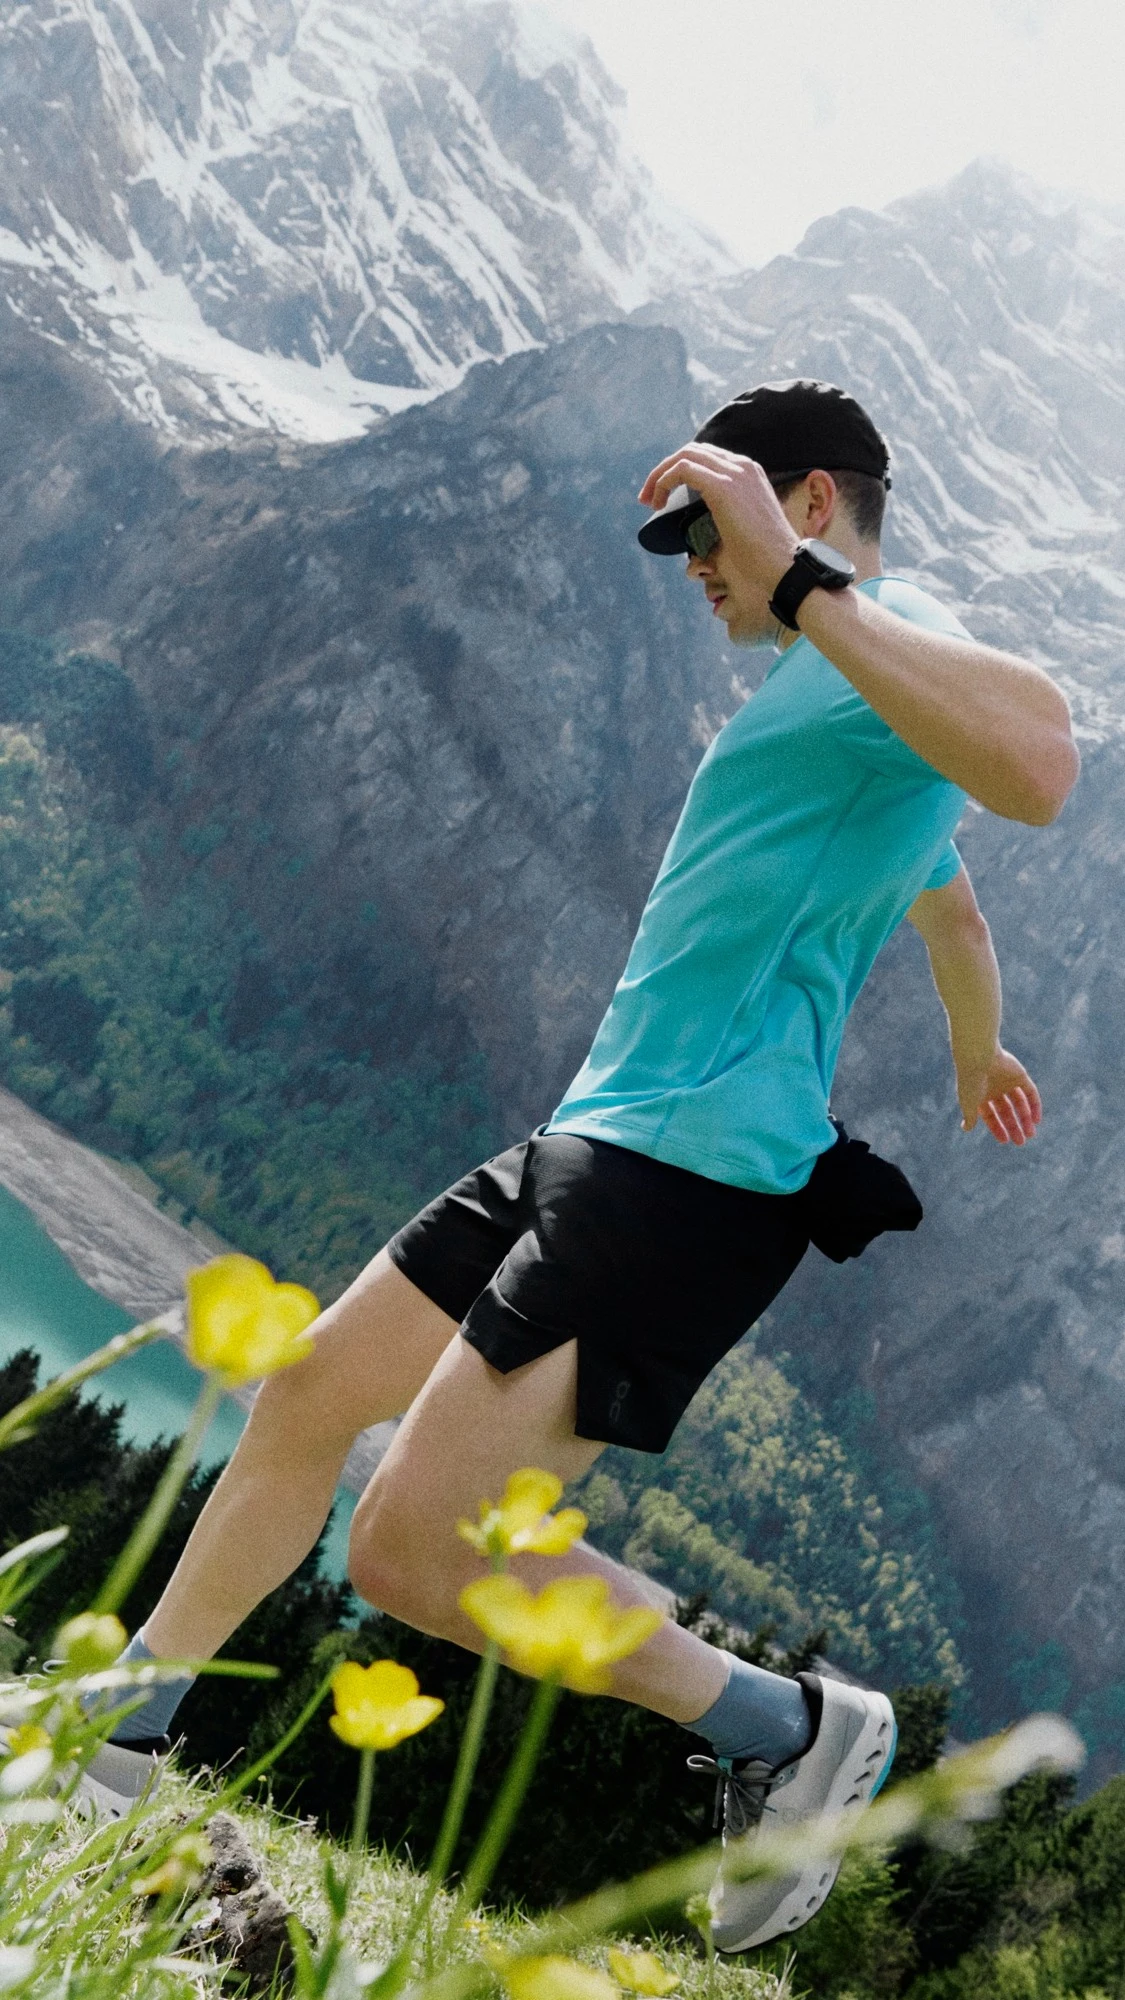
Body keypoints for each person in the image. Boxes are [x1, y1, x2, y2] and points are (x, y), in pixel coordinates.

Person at [83, 381, 1078, 1950]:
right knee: (308, 1393)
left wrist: (807, 585)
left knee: (414, 1554)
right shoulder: (851, 698)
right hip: (596, 1135)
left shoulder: (887, 640)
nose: (692, 562)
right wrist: (975, 1048)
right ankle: (120, 1751)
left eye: (707, 527)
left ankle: (793, 1727)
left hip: (687, 1175)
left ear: (806, 503)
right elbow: (950, 899)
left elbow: (1039, 754)